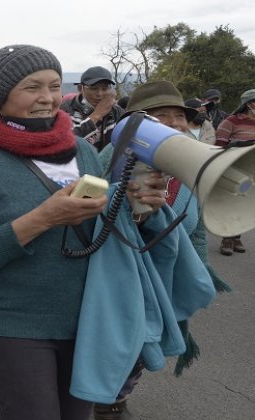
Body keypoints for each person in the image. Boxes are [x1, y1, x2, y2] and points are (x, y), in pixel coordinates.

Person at [0, 45, 169, 420]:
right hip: (14, 325)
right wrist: (42, 218)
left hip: (87, 319)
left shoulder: (80, 149)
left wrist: (134, 208)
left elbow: (100, 227)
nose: (47, 98)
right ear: (0, 96)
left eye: (54, 86)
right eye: (32, 87)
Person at [95, 80, 227, 419]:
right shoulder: (111, 157)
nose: (174, 123)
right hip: (115, 275)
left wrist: (195, 276)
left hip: (163, 276)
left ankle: (116, 398)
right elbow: (84, 210)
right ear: (137, 124)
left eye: (179, 116)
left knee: (146, 344)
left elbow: (195, 231)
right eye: (160, 115)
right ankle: (102, 401)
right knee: (115, 344)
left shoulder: (189, 164)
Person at [214, 88, 255, 255]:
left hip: (252, 171)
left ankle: (237, 237)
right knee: (231, 203)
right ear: (250, 104)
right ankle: (227, 238)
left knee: (245, 204)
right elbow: (218, 147)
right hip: (233, 170)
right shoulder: (231, 121)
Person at [60, 66, 124, 152]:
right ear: (81, 88)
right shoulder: (66, 109)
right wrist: (96, 115)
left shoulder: (116, 111)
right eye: (93, 88)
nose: (99, 94)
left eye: (104, 89)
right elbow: (65, 142)